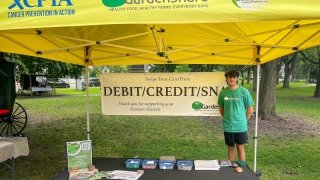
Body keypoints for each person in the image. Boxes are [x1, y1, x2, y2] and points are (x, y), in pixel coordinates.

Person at [218, 70, 254, 162]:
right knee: (230, 148)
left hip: (240, 126)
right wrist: (228, 118)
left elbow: (250, 109)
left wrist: (243, 120)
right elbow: (221, 110)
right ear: (226, 79)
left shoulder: (244, 91)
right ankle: (231, 168)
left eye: (234, 77)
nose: (231, 79)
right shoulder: (223, 93)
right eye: (229, 77)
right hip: (228, 126)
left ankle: (242, 168)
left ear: (237, 78)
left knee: (240, 148)